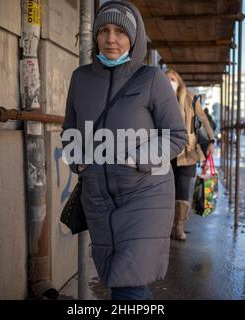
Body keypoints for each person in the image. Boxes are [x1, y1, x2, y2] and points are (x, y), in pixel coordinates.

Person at [61, 1, 187, 300]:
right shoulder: (80, 78)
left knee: (128, 283)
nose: (111, 38)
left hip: (145, 192)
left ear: (133, 37)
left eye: (120, 31)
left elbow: (177, 136)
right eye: (104, 30)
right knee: (116, 279)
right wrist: (78, 161)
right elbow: (70, 130)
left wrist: (136, 158)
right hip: (98, 197)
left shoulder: (151, 79)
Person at [166, 69, 215, 241]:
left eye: (173, 79)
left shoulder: (191, 98)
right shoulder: (159, 98)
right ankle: (165, 227)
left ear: (179, 81)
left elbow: (203, 120)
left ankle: (179, 227)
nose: (170, 82)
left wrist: (211, 141)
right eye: (167, 79)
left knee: (182, 190)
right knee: (165, 190)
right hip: (165, 152)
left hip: (188, 152)